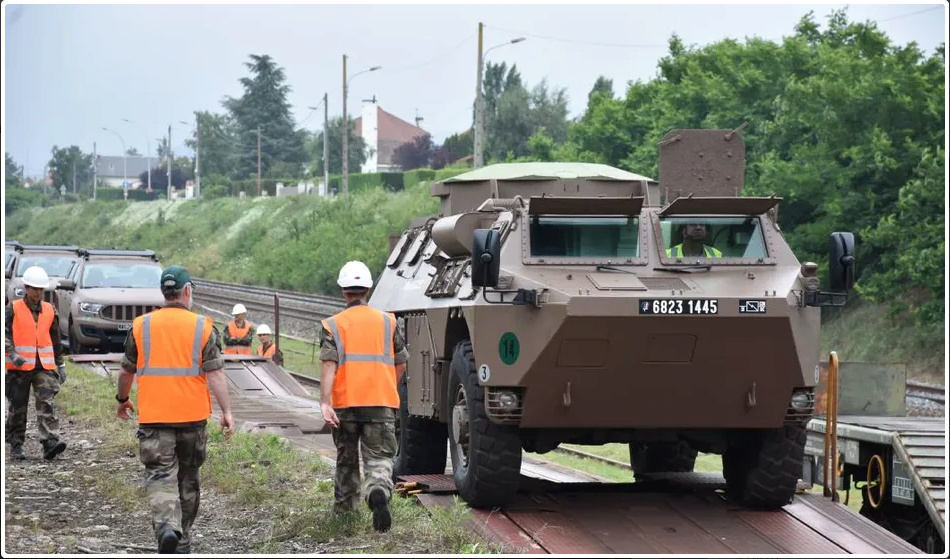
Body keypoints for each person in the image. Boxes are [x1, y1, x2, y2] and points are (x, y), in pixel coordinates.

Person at [115, 265, 234, 554]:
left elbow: (126, 370)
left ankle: (168, 527)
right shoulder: (204, 327)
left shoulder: (140, 326)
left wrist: (122, 400)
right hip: (192, 420)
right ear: (187, 291)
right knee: (188, 479)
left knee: (160, 476)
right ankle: (182, 539)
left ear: (163, 292)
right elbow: (216, 374)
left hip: (155, 418)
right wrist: (227, 412)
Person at [319, 260, 409, 533]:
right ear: (368, 289)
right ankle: (377, 491)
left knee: (346, 460)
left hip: (345, 405)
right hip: (380, 402)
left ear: (343, 291)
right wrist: (386, 387)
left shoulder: (333, 325)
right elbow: (401, 362)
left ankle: (345, 513)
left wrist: (325, 402)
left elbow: (328, 364)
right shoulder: (388, 321)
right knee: (380, 457)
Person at [5, 266, 68, 461]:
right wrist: (12, 353)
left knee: (46, 402)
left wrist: (61, 364)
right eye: (34, 289)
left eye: (41, 289)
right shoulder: (12, 308)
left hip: (43, 366)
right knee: (18, 406)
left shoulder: (49, 310)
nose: (37, 293)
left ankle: (49, 441)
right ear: (26, 288)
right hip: (19, 366)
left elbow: (56, 339)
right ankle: (16, 444)